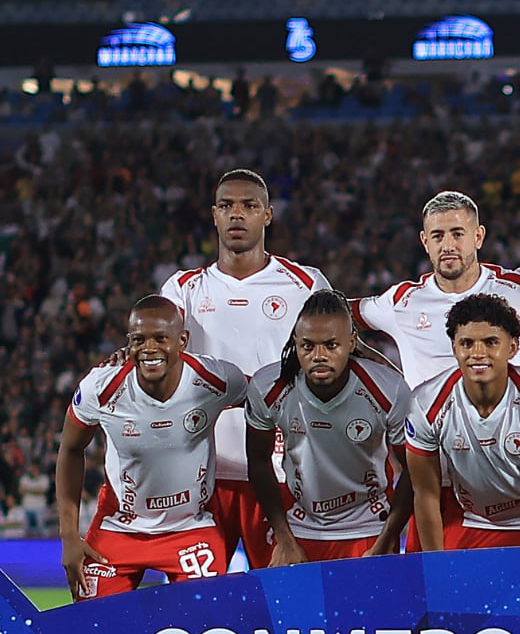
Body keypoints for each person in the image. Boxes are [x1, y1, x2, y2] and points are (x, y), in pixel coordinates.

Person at [350, 190, 520, 551]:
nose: (447, 244)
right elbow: (335, 316)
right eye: (437, 236)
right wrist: (387, 373)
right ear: (424, 242)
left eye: (457, 233)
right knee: (433, 596)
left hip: (513, 476)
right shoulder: (402, 301)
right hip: (434, 478)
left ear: (478, 236)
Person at [160, 169, 332, 568]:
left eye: (249, 206)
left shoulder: (306, 284)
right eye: (227, 206)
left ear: (267, 215)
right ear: (214, 215)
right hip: (201, 476)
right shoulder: (183, 289)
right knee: (200, 609)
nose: (237, 215)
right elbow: (154, 357)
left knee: (285, 602)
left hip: (282, 472)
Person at [56, 297, 248, 599]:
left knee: (208, 618)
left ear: (182, 340)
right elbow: (69, 449)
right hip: (120, 527)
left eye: (161, 338)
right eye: (139, 340)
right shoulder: (101, 388)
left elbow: (267, 400)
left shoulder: (216, 379)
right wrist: (69, 535)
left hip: (190, 528)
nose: (149, 348)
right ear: (128, 343)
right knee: (90, 621)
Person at [245, 290, 413, 564]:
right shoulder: (268, 387)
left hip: (369, 527)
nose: (319, 355)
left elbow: (413, 471)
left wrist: (387, 538)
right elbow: (258, 462)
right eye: (308, 346)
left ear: (351, 342)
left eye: (331, 346)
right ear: (296, 344)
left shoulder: (388, 389)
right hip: (300, 527)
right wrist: (284, 538)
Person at [405, 294, 520, 549]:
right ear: (454, 348)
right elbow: (426, 494)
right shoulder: (425, 403)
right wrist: (436, 564)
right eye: (466, 343)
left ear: (512, 348)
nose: (477, 353)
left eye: (490, 342)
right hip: (474, 521)